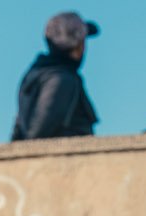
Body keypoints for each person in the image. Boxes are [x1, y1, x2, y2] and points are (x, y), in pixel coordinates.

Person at [11, 12, 100, 141]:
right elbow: (38, 132)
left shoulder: (35, 74)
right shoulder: (62, 79)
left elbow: (18, 127)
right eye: (82, 42)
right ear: (78, 47)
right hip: (63, 153)